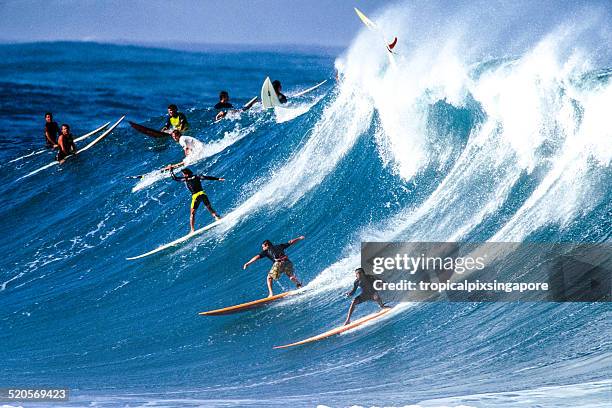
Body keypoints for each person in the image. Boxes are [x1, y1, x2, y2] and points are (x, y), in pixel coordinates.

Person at [170, 167, 224, 232]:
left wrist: (171, 170)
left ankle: (192, 229)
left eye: (183, 174)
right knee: (209, 207)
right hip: (203, 194)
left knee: (192, 213)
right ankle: (217, 216)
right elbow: (206, 177)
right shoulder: (197, 176)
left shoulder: (186, 179)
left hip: (196, 196)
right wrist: (218, 178)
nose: (183, 175)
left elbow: (175, 178)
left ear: (186, 174)